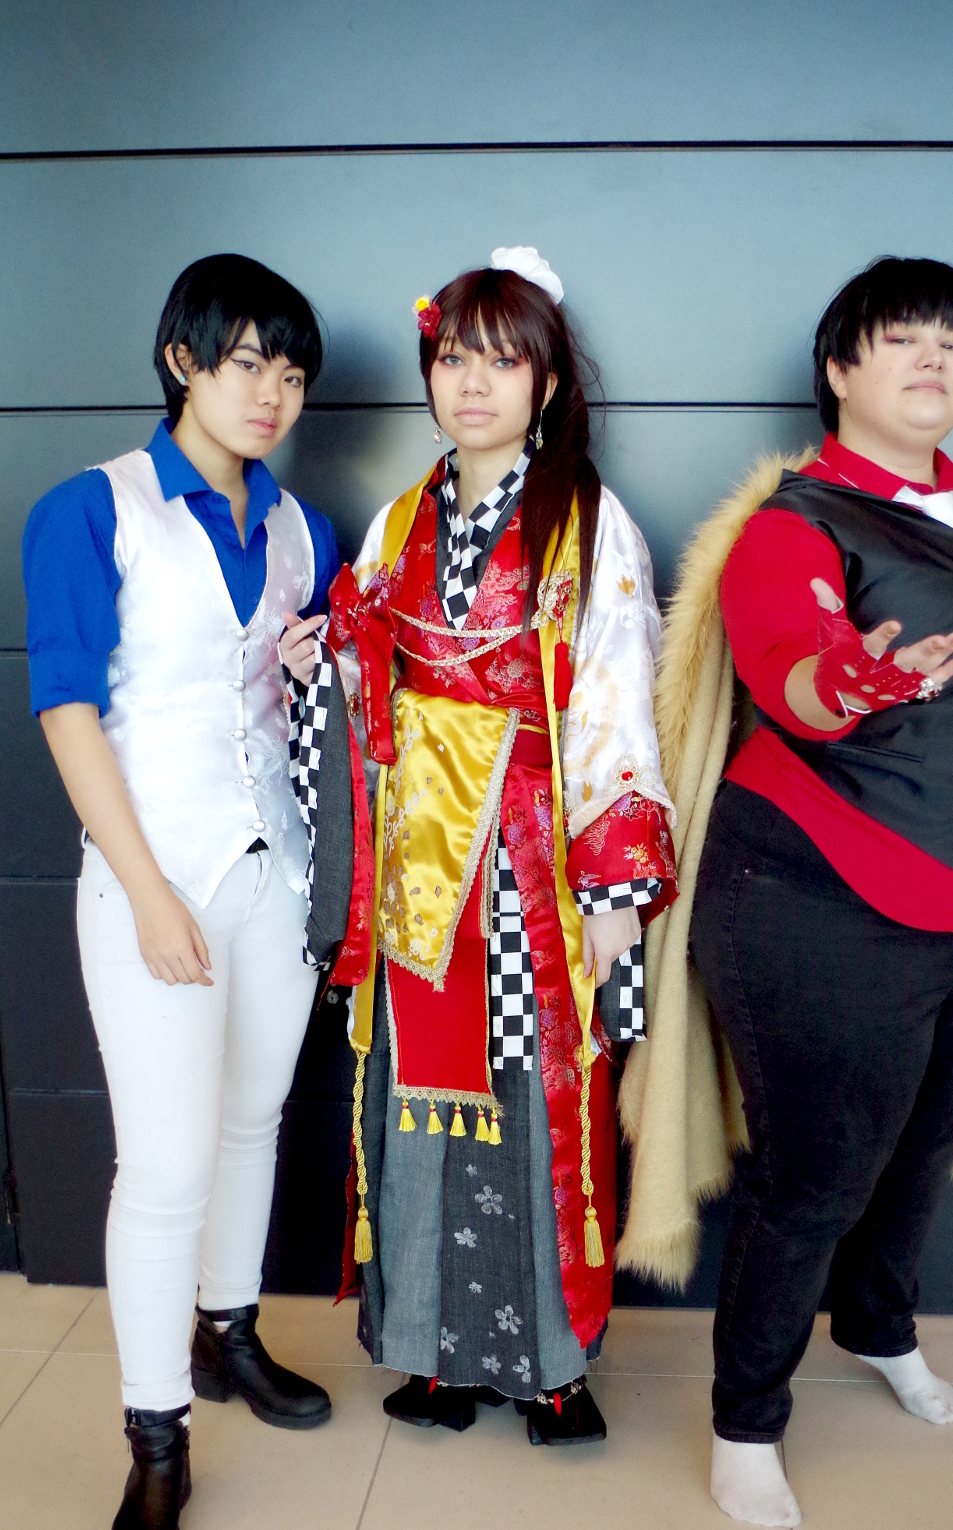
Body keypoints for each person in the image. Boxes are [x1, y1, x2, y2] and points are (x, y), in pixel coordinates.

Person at [616, 256, 953, 1526]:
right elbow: (790, 663)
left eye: (952, 343)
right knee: (816, 1172)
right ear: (839, 369)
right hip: (813, 897)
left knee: (931, 1141)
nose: (933, 360)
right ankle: (747, 1420)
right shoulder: (793, 525)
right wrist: (853, 680)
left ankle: (877, 1321)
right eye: (902, 338)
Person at [318, 247, 676, 1443]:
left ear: (548, 381)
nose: (472, 383)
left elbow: (613, 700)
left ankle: (551, 1365)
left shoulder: (587, 523)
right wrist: (338, 656)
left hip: (531, 864)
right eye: (454, 358)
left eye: (503, 359)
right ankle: (433, 1353)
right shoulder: (400, 521)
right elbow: (370, 679)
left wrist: (613, 888)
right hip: (421, 861)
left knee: (535, 1092)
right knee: (417, 1095)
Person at [24, 253, 341, 1530]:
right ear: (183, 361)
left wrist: (316, 662)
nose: (271, 393)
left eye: (293, 373)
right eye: (248, 361)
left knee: (252, 1121)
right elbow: (67, 710)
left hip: (276, 875)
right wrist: (148, 891)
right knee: (161, 1170)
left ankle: (229, 1332)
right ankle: (156, 1442)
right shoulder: (90, 510)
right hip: (152, 877)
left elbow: (295, 694)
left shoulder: (304, 528)